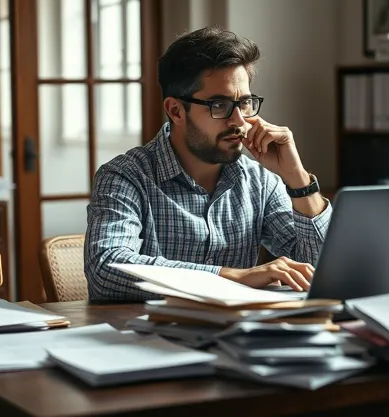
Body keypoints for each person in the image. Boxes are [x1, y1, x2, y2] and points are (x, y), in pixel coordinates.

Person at [84, 27, 333, 302]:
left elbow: (326, 270)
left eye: (245, 103)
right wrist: (232, 277)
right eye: (219, 105)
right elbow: (105, 269)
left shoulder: (261, 182)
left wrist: (297, 179)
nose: (239, 121)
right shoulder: (124, 176)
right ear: (176, 110)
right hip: (153, 338)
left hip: (239, 337)